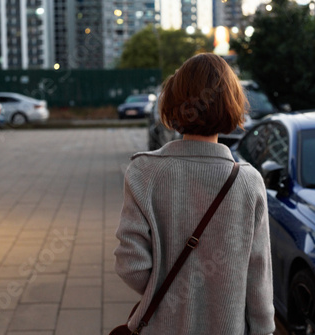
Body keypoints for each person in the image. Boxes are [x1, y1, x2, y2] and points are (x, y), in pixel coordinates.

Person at [114, 53, 275, 335]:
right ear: (232, 104)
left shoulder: (144, 172)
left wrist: (169, 295)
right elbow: (258, 278)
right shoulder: (249, 182)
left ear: (173, 102)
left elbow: (131, 264)